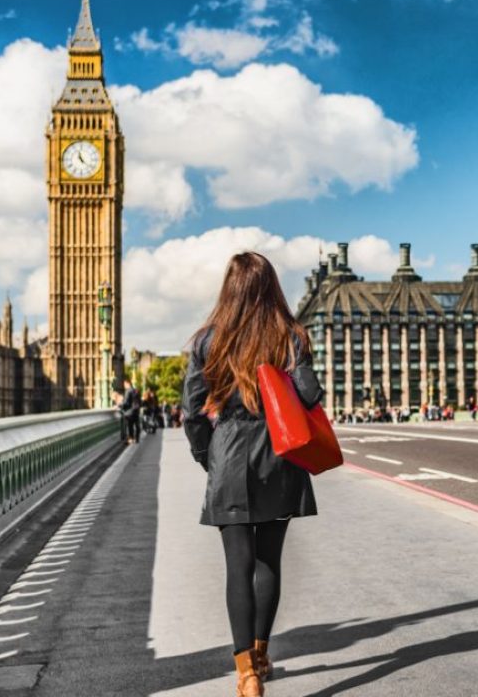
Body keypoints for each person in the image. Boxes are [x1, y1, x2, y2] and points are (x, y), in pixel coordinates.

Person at [182, 252, 323, 697]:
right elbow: (309, 394)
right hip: (279, 457)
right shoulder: (290, 336)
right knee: (268, 563)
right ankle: (262, 655)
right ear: (271, 289)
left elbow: (191, 411)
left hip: (230, 454)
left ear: (230, 289)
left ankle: (246, 675)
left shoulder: (208, 340)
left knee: (237, 567)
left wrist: (208, 455)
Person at [120, 378, 141, 444]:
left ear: (127, 383)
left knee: (128, 425)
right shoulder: (136, 390)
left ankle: (129, 438)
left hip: (130, 412)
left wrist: (120, 406)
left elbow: (126, 402)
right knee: (136, 424)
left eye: (124, 384)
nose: (124, 386)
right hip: (136, 410)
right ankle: (137, 438)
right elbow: (139, 401)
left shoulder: (128, 391)